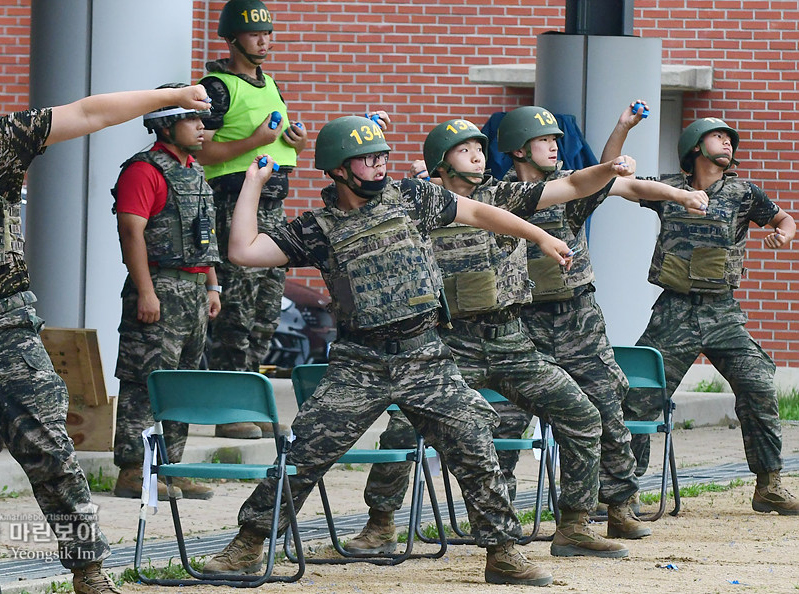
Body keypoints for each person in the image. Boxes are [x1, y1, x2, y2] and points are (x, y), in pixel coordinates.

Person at [197, 114, 646, 587]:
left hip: (425, 354)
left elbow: (477, 212)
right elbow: (243, 251)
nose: (379, 166)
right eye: (367, 160)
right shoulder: (318, 227)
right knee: (306, 451)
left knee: (473, 443)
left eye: (382, 157)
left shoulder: (413, 197)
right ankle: (249, 542)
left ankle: (503, 552)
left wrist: (538, 235)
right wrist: (252, 182)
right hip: (360, 363)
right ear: (338, 170)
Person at [0, 42, 210, 594]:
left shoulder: (1, 139)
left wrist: (172, 96)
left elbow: (89, 112)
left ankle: (88, 572)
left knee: (48, 450)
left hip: (2, 325)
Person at [344, 116, 709, 559]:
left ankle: (575, 524)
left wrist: (616, 163)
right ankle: (379, 524)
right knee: (404, 426)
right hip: (450, 343)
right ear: (441, 164)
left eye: (480, 148)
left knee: (584, 413)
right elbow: (367, 198)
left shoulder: (505, 195)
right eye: (464, 150)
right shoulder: (419, 205)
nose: (478, 155)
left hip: (510, 340)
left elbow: (576, 185)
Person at [621, 116, 798, 515]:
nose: (728, 144)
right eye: (718, 137)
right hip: (674, 310)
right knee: (639, 396)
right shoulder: (667, 189)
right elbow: (613, 180)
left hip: (722, 310)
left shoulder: (743, 193)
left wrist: (784, 234)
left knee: (759, 386)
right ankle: (621, 493)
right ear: (696, 147)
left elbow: (784, 219)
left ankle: (769, 485)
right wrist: (622, 131)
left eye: (730, 139)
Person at [504, 103, 665, 529]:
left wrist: (621, 131)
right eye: (545, 140)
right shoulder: (498, 197)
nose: (556, 146)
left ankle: (617, 508)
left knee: (608, 406)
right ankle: (497, 515)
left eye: (557, 139)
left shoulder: (569, 188)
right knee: (505, 420)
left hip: (578, 319)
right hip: (521, 321)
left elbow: (604, 174)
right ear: (519, 150)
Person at [196, 0, 306, 439]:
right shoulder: (216, 87)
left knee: (265, 312)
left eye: (268, 32)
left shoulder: (269, 82)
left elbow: (276, 146)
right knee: (236, 313)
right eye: (255, 33)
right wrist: (256, 139)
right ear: (232, 38)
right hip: (233, 205)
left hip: (273, 207)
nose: (264, 40)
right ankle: (229, 410)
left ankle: (252, 404)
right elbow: (201, 151)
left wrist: (292, 143)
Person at [111, 84, 222, 502]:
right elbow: (130, 231)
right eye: (191, 119)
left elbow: (203, 234)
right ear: (166, 124)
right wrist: (145, 291)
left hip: (193, 290)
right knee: (145, 381)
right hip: (159, 284)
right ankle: (133, 470)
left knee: (182, 384)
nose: (200, 126)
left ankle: (171, 468)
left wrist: (212, 285)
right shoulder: (144, 171)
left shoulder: (193, 169)